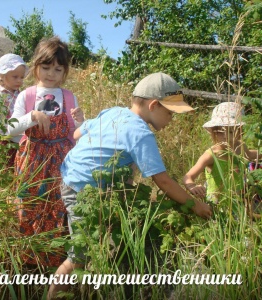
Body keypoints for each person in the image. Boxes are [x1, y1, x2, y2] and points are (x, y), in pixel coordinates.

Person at [47, 72, 212, 299]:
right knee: (80, 255)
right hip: (84, 191)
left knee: (113, 230)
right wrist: (195, 205)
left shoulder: (114, 112)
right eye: (171, 113)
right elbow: (162, 180)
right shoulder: (141, 133)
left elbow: (77, 133)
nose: (172, 120)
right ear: (154, 105)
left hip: (70, 177)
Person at [7, 36, 84, 267]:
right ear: (36, 66)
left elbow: (76, 135)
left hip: (61, 164)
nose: (51, 73)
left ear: (65, 71)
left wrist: (81, 121)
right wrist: (31, 117)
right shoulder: (27, 95)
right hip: (31, 163)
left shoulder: (69, 96)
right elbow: (9, 130)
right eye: (46, 67)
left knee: (58, 207)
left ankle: (55, 261)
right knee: (29, 206)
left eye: (58, 69)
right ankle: (28, 259)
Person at [183, 101, 262, 206]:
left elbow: (249, 154)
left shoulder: (240, 147)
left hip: (238, 200)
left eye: (230, 131)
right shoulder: (212, 154)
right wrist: (192, 186)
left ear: (240, 130)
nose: (225, 136)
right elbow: (188, 176)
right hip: (218, 203)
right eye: (220, 132)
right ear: (213, 132)